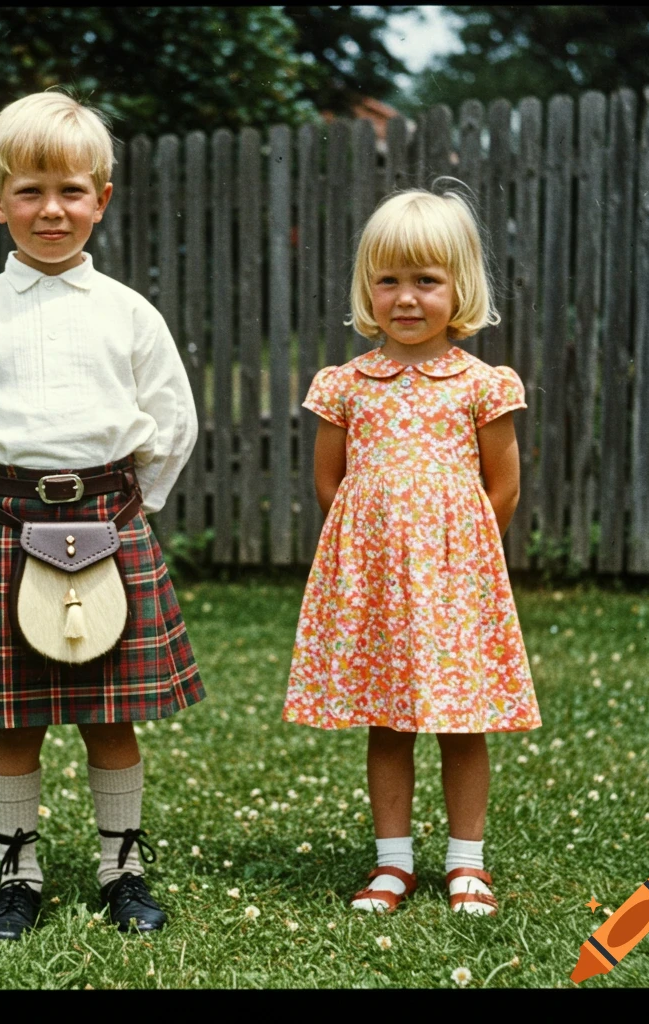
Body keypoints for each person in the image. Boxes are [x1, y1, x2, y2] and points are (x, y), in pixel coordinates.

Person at [0, 90, 204, 941]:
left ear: (101, 199)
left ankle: (122, 867)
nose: (51, 209)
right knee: (15, 720)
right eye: (29, 191)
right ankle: (19, 872)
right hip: (7, 530)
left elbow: (172, 422)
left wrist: (135, 508)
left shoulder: (129, 313)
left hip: (112, 524)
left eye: (71, 190)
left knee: (112, 715)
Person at [283, 186, 541, 917]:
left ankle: (467, 865)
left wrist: (447, 558)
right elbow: (332, 486)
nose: (405, 298)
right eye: (388, 280)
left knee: (463, 722)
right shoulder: (346, 385)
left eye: (426, 281)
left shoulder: (482, 385)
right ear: (367, 288)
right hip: (376, 586)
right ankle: (392, 865)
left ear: (460, 289)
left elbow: (504, 490)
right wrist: (380, 552)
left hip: (456, 585)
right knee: (388, 720)